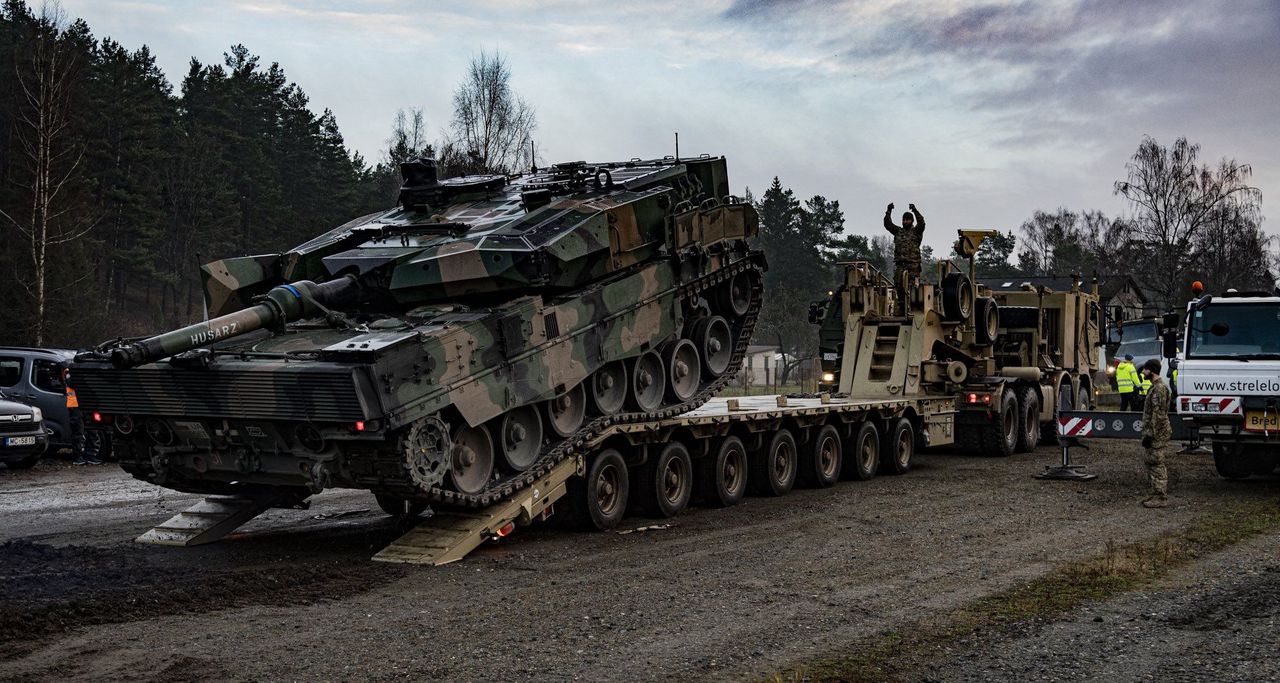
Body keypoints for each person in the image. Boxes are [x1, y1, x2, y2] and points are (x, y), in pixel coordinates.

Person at [1139, 358, 1172, 508]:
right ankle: (1155, 493)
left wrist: (1151, 435)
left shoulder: (1158, 389)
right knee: (1151, 462)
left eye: (1145, 369)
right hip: (1154, 432)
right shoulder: (1156, 387)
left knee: (1157, 464)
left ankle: (1160, 497)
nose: (1142, 372)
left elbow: (1158, 415)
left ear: (1151, 370)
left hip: (1156, 433)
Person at [883, 202, 925, 312]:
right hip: (900, 265)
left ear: (911, 221)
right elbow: (888, 224)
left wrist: (915, 210)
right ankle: (902, 309)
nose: (905, 221)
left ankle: (915, 309)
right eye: (904, 219)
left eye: (907, 219)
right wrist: (889, 211)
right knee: (899, 288)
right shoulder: (898, 231)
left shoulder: (916, 231)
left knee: (913, 289)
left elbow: (922, 223)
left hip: (913, 265)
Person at [63, 366, 97, 465]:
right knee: (78, 431)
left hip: (87, 404)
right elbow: (72, 383)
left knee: (92, 430)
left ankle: (90, 455)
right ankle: (77, 457)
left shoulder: (86, 371)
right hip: (75, 405)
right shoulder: (69, 371)